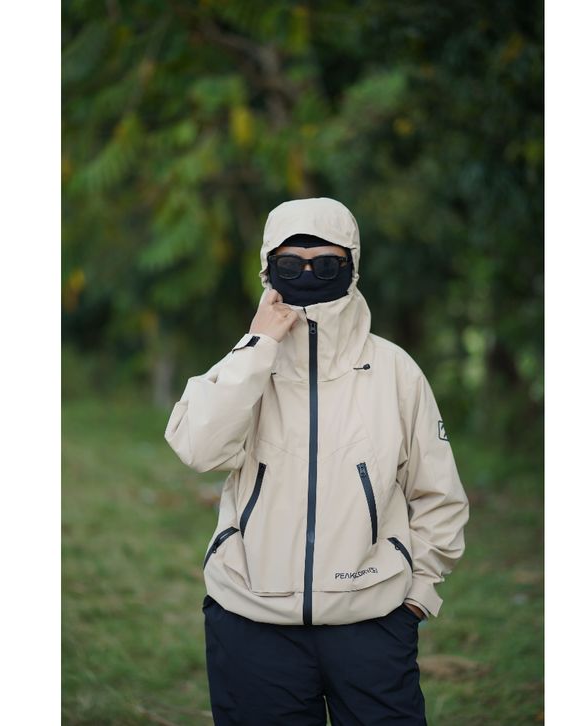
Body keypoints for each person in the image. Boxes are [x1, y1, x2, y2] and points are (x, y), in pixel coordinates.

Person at [164, 197, 470, 725]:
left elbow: (438, 493)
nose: (308, 275)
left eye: (326, 265)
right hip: (251, 623)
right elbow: (198, 447)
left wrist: (418, 596)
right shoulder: (247, 361)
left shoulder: (396, 370)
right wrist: (259, 344)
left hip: (373, 620)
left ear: (352, 267)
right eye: (290, 265)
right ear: (268, 270)